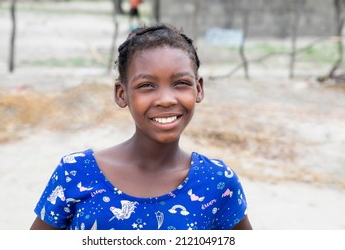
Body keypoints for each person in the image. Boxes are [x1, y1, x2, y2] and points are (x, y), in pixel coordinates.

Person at [30, 24, 252, 230]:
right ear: (121, 94)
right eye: (146, 85)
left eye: (181, 83)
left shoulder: (218, 183)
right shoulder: (76, 174)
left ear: (199, 89)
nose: (166, 99)